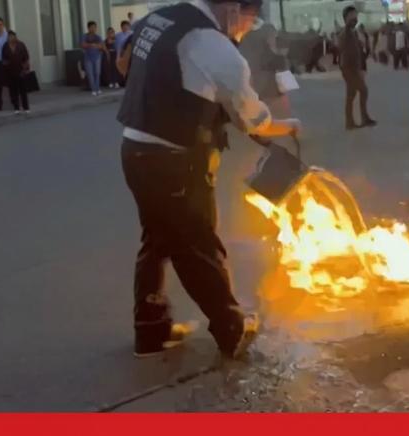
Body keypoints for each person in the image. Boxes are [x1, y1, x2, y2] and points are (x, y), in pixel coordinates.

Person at [116, 0, 300, 358]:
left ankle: (150, 331)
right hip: (174, 159)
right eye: (249, 20)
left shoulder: (160, 17)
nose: (246, 29)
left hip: (134, 149)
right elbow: (251, 119)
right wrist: (286, 126)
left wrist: (169, 90)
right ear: (232, 9)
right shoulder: (215, 46)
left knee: (157, 239)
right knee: (198, 244)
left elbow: (123, 63)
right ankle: (231, 328)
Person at [239, 18, 290, 117]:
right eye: (273, 37)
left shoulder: (248, 41)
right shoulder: (276, 57)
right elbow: (286, 84)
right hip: (268, 95)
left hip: (252, 92)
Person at [339, 6, 376, 129]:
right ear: (345, 18)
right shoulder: (345, 34)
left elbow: (357, 52)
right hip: (349, 69)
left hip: (353, 68)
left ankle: (350, 122)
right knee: (363, 91)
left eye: (356, 16)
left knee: (351, 94)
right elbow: (347, 54)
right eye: (352, 16)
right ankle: (363, 118)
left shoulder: (353, 32)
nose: (355, 19)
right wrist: (356, 70)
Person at [1, 31, 30, 114]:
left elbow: (26, 57)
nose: (10, 38)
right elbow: (3, 58)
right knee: (13, 91)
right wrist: (5, 65)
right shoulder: (5, 46)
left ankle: (26, 107)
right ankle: (16, 107)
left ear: (15, 37)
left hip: (21, 71)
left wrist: (26, 68)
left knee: (23, 90)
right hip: (10, 72)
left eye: (12, 36)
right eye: (9, 37)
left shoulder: (21, 45)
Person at [81, 21, 105, 96]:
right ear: (88, 28)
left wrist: (95, 46)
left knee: (97, 73)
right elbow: (83, 45)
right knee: (90, 74)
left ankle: (97, 88)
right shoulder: (84, 36)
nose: (93, 29)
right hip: (88, 57)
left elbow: (101, 46)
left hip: (97, 57)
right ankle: (93, 89)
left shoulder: (98, 37)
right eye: (91, 27)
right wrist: (92, 45)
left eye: (95, 27)